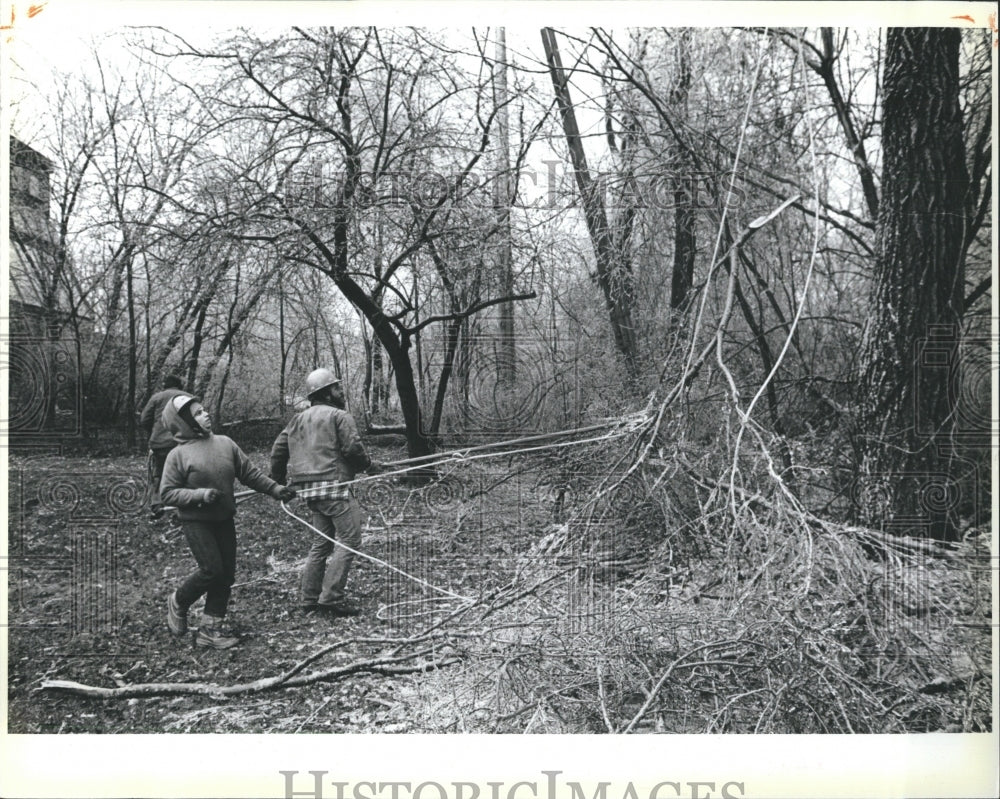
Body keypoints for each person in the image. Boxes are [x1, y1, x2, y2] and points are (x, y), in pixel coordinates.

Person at [160, 394, 296, 649]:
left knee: (225, 576)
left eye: (204, 410)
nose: (206, 415)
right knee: (211, 570)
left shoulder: (225, 443)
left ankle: (210, 631)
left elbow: (250, 474)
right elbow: (167, 493)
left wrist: (276, 490)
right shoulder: (177, 456)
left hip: (224, 519)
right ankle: (178, 600)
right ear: (185, 422)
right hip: (196, 521)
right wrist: (200, 495)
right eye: (198, 413)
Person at [270, 368, 381, 617]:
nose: (341, 392)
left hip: (310, 492)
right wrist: (369, 467)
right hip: (334, 488)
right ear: (326, 393)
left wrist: (277, 481)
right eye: (337, 388)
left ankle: (309, 598)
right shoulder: (339, 415)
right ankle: (330, 598)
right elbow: (353, 448)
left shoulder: (296, 420)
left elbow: (278, 450)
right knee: (350, 540)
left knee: (322, 543)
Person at [138, 374, 190, 518]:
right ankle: (182, 506)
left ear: (165, 385)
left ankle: (157, 505)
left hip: (160, 443)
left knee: (159, 473)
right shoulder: (188, 397)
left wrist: (155, 431)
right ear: (179, 385)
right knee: (184, 473)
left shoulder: (157, 397)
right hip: (183, 443)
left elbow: (144, 420)